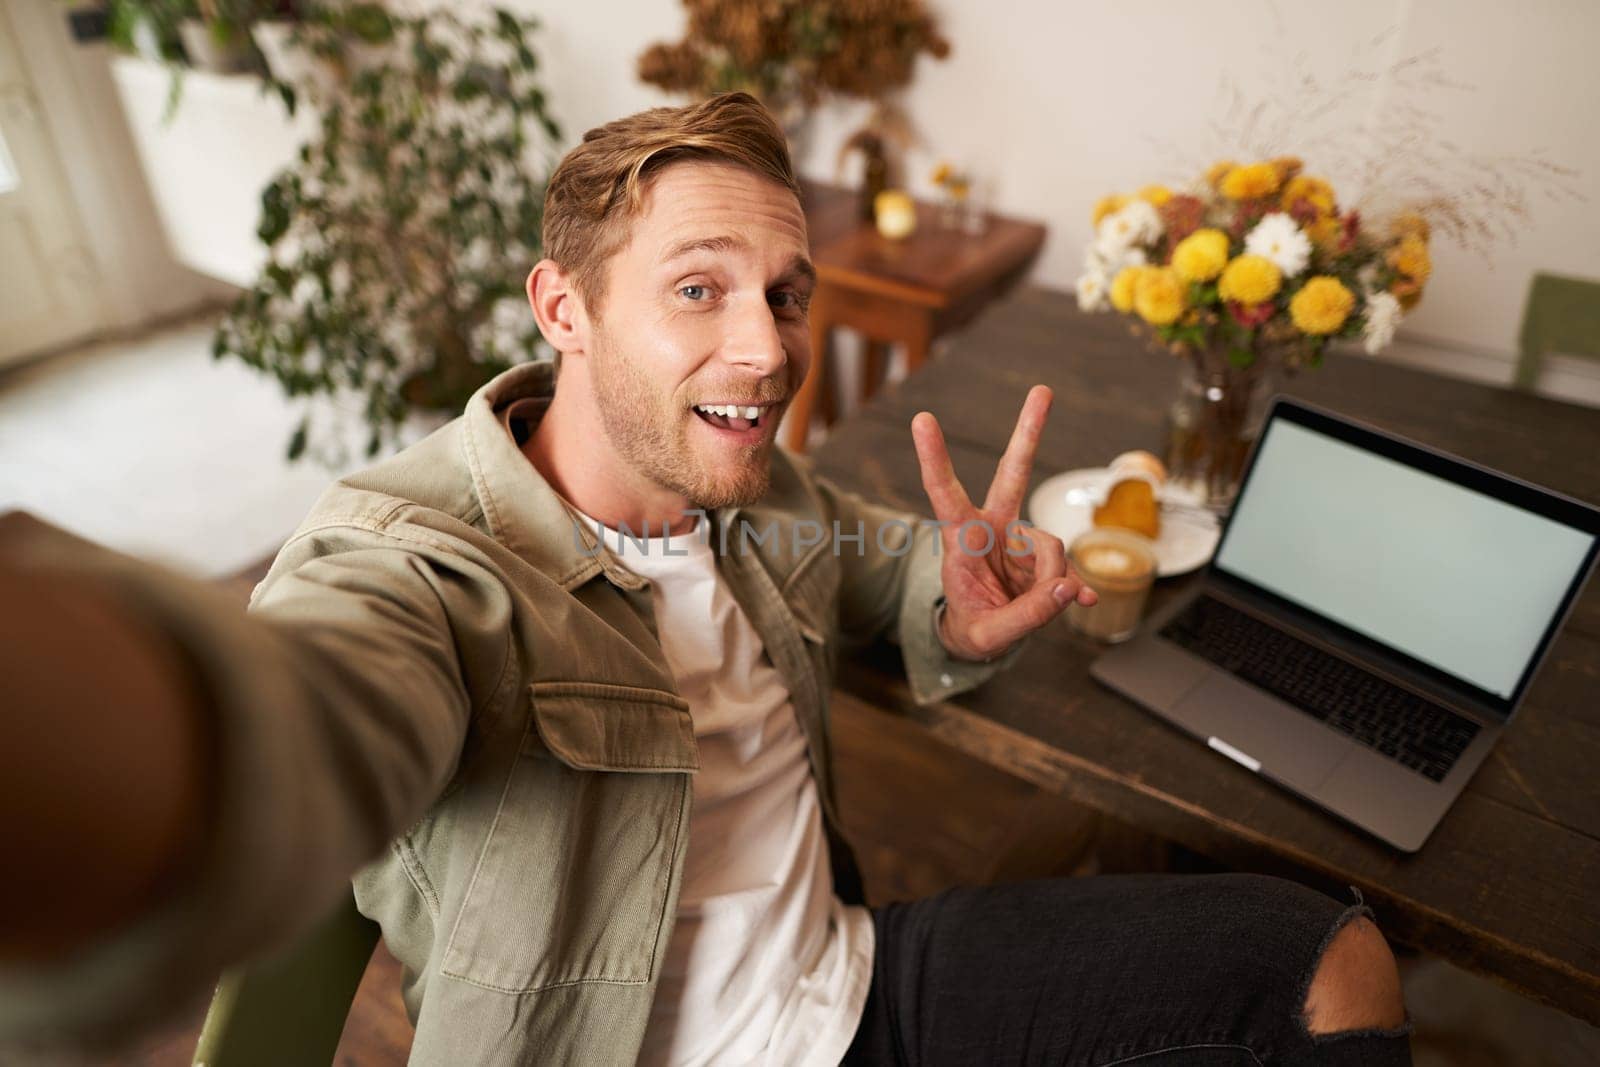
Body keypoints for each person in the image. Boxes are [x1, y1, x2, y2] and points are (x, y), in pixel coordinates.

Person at [0, 93, 1412, 1065]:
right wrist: (110, 722)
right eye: (698, 287)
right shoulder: (419, 569)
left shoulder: (752, 491)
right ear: (564, 307)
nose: (768, 347)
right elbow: (311, 715)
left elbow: (868, 565)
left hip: (857, 988)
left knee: (1331, 965)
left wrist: (950, 594)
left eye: (786, 294)